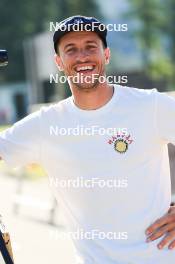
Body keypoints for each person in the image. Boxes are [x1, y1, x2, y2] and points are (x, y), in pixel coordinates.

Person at [0, 15, 175, 264]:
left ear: (106, 55)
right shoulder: (45, 124)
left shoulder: (151, 105)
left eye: (91, 47)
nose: (82, 57)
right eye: (71, 50)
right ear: (59, 62)